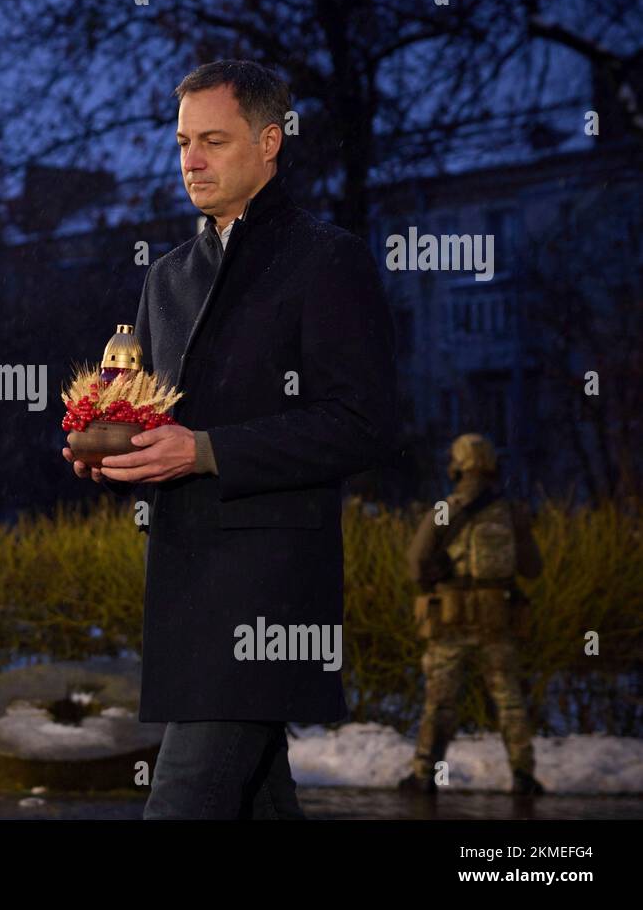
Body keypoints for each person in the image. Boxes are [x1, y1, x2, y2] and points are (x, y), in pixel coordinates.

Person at [62, 59, 397, 818]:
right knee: (255, 799)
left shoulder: (327, 258)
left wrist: (205, 449)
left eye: (213, 139)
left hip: (271, 593)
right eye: (183, 140)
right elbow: (153, 424)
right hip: (183, 588)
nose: (191, 159)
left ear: (270, 141)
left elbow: (366, 423)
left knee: (183, 801)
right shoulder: (167, 278)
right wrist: (110, 452)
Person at [399, 432, 545, 796]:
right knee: (509, 699)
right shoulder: (512, 513)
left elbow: (415, 565)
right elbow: (532, 569)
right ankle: (523, 775)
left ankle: (423, 774)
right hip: (497, 621)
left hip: (450, 620)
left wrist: (441, 576)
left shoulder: (446, 510)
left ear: (456, 465)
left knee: (440, 702)